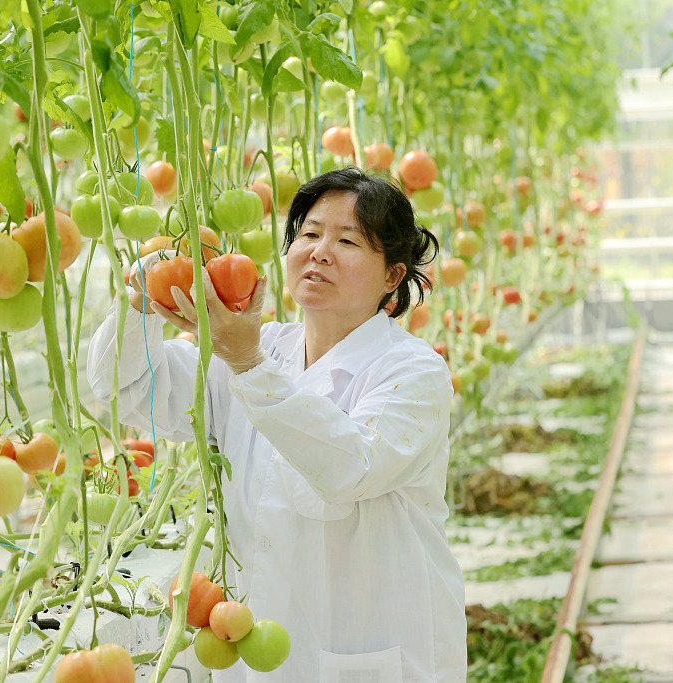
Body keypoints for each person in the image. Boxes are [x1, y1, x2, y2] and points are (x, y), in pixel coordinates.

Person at [87, 167, 468, 682]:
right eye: (308, 234)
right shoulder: (263, 349)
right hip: (262, 656)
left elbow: (350, 468)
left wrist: (246, 362)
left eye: (348, 240)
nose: (320, 251)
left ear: (392, 276)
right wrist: (141, 301)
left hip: (373, 652)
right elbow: (127, 389)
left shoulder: (412, 371)